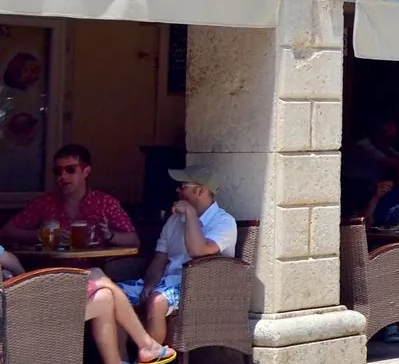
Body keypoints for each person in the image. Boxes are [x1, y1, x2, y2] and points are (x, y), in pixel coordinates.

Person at [112, 165, 238, 345]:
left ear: (201, 190)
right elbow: (159, 260)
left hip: (198, 287)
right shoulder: (174, 220)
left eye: (183, 186)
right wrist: (149, 284)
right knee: (115, 294)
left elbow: (198, 251)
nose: (177, 190)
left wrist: (191, 214)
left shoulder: (224, 222)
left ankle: (148, 363)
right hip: (166, 281)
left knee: (157, 300)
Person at [1, 144, 139, 248]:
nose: (63, 176)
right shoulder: (43, 203)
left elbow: (134, 240)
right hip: (51, 273)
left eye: (70, 169)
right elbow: (6, 232)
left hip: (95, 271)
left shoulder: (105, 203)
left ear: (86, 171)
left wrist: (110, 236)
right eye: (57, 171)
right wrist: (39, 234)